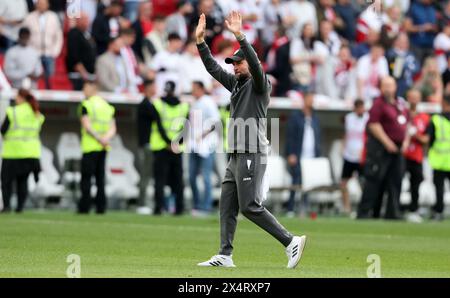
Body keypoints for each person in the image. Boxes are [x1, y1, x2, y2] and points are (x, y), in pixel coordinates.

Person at [196, 12, 306, 269]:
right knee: (227, 206)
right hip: (236, 153)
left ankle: (290, 241)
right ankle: (225, 254)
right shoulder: (236, 84)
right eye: (233, 63)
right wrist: (201, 43)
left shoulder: (260, 84)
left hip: (251, 151)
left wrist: (240, 36)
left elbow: (256, 65)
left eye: (238, 63)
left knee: (250, 206)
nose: (235, 66)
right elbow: (213, 67)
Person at [357, 76, 408, 220]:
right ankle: (365, 212)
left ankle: (392, 213)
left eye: (390, 85)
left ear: (395, 87)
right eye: (385, 85)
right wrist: (387, 142)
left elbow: (406, 124)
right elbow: (373, 125)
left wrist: (405, 142)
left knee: (395, 180)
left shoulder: (399, 104)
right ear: (381, 88)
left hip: (397, 149)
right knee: (374, 180)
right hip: (380, 148)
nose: (388, 88)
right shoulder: (378, 104)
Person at [1, 89, 44, 213]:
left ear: (21, 98)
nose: (15, 99)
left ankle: (7, 206)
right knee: (23, 181)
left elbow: (3, 130)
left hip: (12, 152)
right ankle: (20, 207)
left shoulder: (13, 111)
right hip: (30, 153)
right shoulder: (36, 113)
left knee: (6, 181)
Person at [78, 80, 116, 214]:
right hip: (104, 147)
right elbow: (113, 128)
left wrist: (99, 138)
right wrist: (105, 139)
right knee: (100, 178)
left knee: (87, 178)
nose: (83, 90)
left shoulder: (86, 105)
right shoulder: (107, 106)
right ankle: (101, 207)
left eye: (85, 87)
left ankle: (85, 207)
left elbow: (87, 126)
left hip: (90, 146)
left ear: (92, 88)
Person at [151, 81, 189, 215]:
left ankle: (159, 208)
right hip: (177, 148)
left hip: (162, 147)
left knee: (160, 180)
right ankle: (179, 208)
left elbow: (159, 126)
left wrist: (168, 143)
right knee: (178, 180)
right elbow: (186, 128)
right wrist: (176, 143)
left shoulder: (158, 104)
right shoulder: (184, 106)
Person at [285, 92, 321, 217]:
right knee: (296, 181)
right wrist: (291, 153)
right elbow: (290, 137)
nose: (312, 102)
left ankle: (305, 207)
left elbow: (317, 137)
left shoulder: (315, 118)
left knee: (308, 183)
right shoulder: (295, 117)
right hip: (298, 155)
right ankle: (290, 208)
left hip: (311, 156)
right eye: (310, 99)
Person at [188, 81, 220, 215]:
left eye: (194, 89)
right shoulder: (194, 103)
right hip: (194, 144)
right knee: (191, 176)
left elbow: (215, 122)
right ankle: (197, 204)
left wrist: (203, 134)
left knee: (206, 176)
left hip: (206, 144)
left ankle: (206, 206)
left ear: (201, 89)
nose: (192, 92)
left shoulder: (208, 102)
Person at [402, 89, 429, 223]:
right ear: (407, 98)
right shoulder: (402, 114)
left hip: (416, 156)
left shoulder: (424, 118)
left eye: (416, 97)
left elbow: (426, 139)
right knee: (395, 182)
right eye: (411, 97)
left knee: (415, 184)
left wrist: (415, 135)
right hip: (402, 154)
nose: (413, 100)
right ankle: (394, 209)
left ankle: (413, 210)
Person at [23, 0, 63, 89]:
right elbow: (25, 35)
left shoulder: (53, 17)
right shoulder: (29, 17)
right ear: (36, 5)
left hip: (49, 53)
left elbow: (58, 36)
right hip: (34, 53)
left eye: (44, 4)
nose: (41, 6)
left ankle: (50, 98)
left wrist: (55, 51)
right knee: (34, 76)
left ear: (48, 5)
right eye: (40, 4)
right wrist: (29, 51)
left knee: (50, 77)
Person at [425, 93, 450, 221]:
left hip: (440, 160)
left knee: (439, 188)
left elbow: (429, 139)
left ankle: (439, 212)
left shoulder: (436, 119)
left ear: (444, 103)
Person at [341, 99, 368, 215]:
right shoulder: (349, 118)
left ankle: (363, 208)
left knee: (363, 183)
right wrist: (343, 147)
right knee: (343, 183)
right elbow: (346, 134)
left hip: (361, 156)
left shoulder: (367, 118)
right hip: (349, 155)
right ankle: (347, 208)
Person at [66, 12, 97, 91]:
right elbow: (74, 56)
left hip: (89, 74)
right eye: (84, 20)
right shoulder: (74, 34)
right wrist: (83, 73)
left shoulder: (87, 34)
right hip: (79, 76)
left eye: (87, 20)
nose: (87, 22)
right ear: (78, 21)